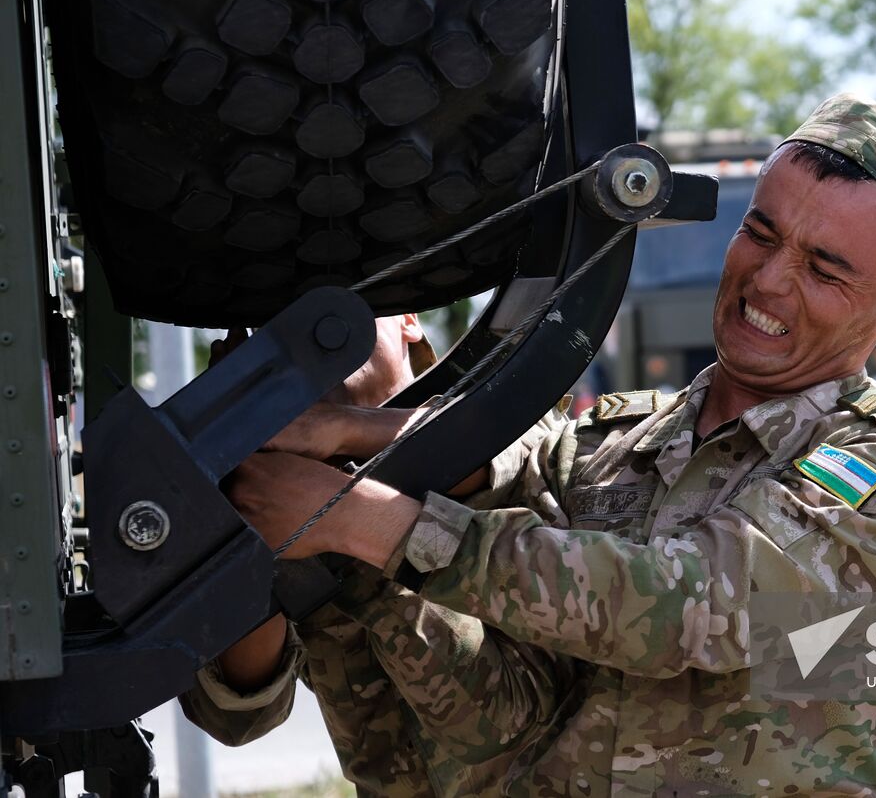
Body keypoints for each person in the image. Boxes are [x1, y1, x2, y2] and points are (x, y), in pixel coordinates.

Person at [224, 93, 876, 796]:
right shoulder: (625, 438)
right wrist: (355, 428)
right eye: (759, 233)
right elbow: (519, 457)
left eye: (825, 270)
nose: (770, 281)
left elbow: (699, 603)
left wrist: (357, 518)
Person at [181, 314, 582, 796]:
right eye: (282, 317)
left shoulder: (505, 413)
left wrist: (343, 453)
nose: (317, 335)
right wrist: (249, 527)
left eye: (347, 305)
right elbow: (238, 716)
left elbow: (499, 454)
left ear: (409, 323)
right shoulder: (270, 480)